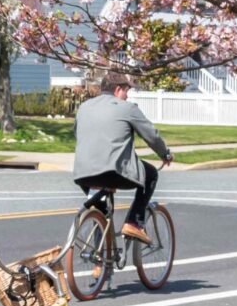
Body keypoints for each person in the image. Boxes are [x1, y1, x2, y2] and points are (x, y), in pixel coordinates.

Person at [72, 78, 172, 243]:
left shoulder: (84, 107)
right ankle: (134, 222)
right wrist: (165, 154)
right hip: (113, 172)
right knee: (151, 174)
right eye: (127, 91)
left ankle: (100, 264)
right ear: (118, 89)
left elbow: (78, 133)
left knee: (101, 212)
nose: (127, 96)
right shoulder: (127, 108)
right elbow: (151, 136)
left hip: (83, 174)